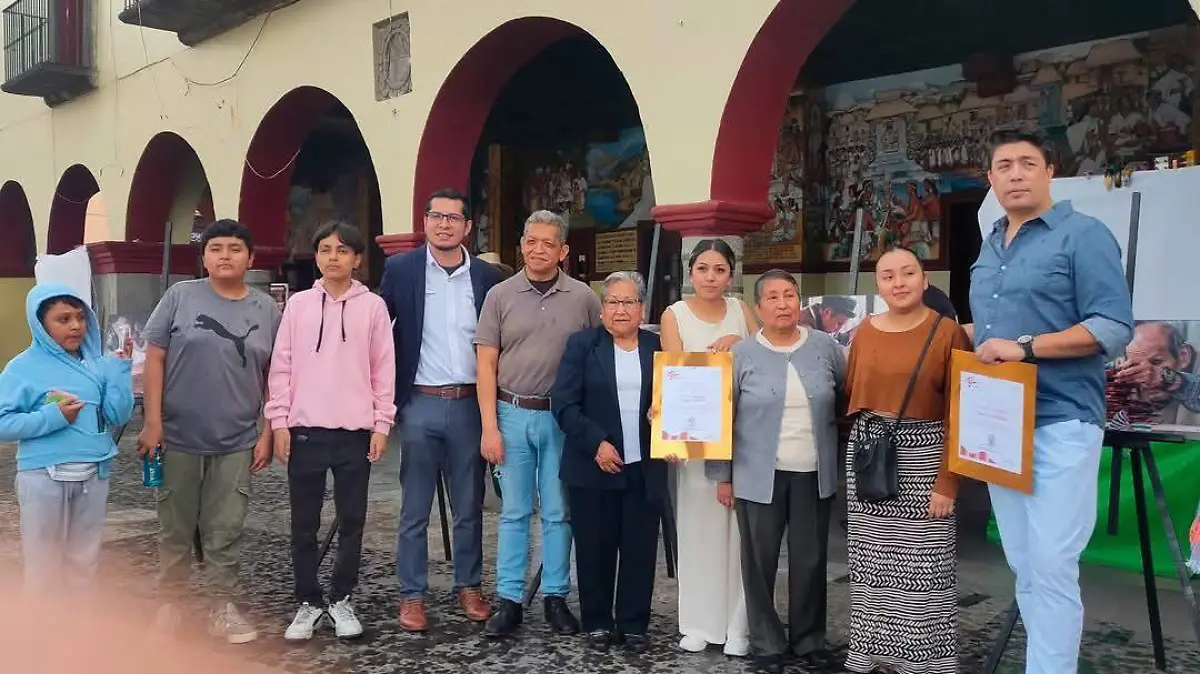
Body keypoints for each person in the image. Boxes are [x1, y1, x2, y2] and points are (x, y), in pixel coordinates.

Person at [971, 125, 1133, 674]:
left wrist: (1025, 348)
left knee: (1053, 563)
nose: (1015, 175)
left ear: (1049, 172)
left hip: (1061, 418)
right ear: (990, 179)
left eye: (1027, 164)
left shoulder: (1083, 235)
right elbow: (987, 332)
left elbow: (1113, 327)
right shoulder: (990, 244)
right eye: (1004, 166)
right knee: (1024, 562)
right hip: (998, 424)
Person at [138, 219, 282, 644]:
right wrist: (152, 421)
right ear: (203, 257)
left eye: (235, 249)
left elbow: (275, 374)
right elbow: (155, 357)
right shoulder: (180, 296)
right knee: (175, 526)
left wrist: (268, 430)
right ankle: (171, 604)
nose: (225, 256)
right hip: (178, 435)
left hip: (237, 438)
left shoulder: (266, 310)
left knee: (226, 527)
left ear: (251, 259)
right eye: (215, 248)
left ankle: (223, 606)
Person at [706, 270, 845, 674]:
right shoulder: (741, 355)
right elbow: (723, 418)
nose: (783, 304)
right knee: (758, 563)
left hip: (812, 473)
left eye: (789, 295)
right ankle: (767, 643)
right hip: (756, 476)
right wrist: (724, 476)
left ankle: (809, 640)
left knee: (810, 562)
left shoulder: (825, 348)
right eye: (773, 297)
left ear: (800, 302)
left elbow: (843, 398)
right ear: (758, 307)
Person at [843, 247, 972, 674]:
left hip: (925, 457)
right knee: (872, 566)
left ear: (924, 279)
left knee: (923, 567)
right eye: (887, 276)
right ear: (877, 285)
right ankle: (874, 655)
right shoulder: (864, 331)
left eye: (908, 273)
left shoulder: (947, 332)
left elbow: (960, 411)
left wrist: (947, 481)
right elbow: (851, 395)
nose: (898, 283)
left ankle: (921, 661)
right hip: (869, 454)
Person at [265, 221, 396, 641]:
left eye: (342, 250)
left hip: (354, 432)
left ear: (357, 259)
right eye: (325, 249)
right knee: (303, 522)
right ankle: (308, 601)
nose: (333, 257)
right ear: (316, 256)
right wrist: (279, 421)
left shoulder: (373, 307)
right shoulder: (299, 305)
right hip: (305, 429)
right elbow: (281, 366)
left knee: (352, 520)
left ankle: (342, 598)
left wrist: (381, 423)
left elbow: (383, 369)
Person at [380, 188, 503, 632]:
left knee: (468, 506)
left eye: (453, 218)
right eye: (436, 216)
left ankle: (468, 586)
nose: (444, 224)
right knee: (414, 507)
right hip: (420, 402)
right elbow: (379, 332)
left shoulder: (487, 277)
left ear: (467, 227)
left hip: (470, 404)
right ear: (426, 221)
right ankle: (412, 594)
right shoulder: (401, 269)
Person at [475, 210, 601, 639]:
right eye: (532, 241)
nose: (539, 250)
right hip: (511, 414)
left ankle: (555, 596)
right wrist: (489, 427)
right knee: (513, 511)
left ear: (563, 250)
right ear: (522, 245)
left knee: (558, 512)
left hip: (561, 419)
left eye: (549, 243)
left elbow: (597, 357)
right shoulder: (499, 295)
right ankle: (509, 599)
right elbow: (485, 364)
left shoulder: (583, 299)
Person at [551, 271, 667, 654]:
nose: (621, 309)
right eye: (613, 302)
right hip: (593, 466)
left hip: (644, 467)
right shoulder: (581, 345)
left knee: (639, 548)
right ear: (601, 309)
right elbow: (564, 404)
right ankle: (598, 621)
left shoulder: (659, 347)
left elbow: (677, 396)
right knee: (593, 547)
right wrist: (596, 443)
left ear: (642, 309)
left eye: (628, 301)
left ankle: (633, 624)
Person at [0, 285, 134, 595]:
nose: (75, 326)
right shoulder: (22, 368)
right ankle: (43, 624)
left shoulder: (97, 365)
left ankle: (78, 624)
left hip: (93, 476)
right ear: (41, 324)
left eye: (80, 317)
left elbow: (118, 414)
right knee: (43, 565)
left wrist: (120, 371)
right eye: (63, 319)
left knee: (84, 563)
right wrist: (52, 417)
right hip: (43, 477)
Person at [658, 238, 756, 656]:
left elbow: (763, 359)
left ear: (730, 275)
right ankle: (698, 621)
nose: (711, 277)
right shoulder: (674, 315)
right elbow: (674, 374)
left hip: (740, 435)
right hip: (697, 436)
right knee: (698, 529)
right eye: (703, 269)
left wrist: (739, 343)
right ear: (690, 272)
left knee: (738, 534)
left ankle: (738, 625)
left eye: (719, 270)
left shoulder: (742, 312)